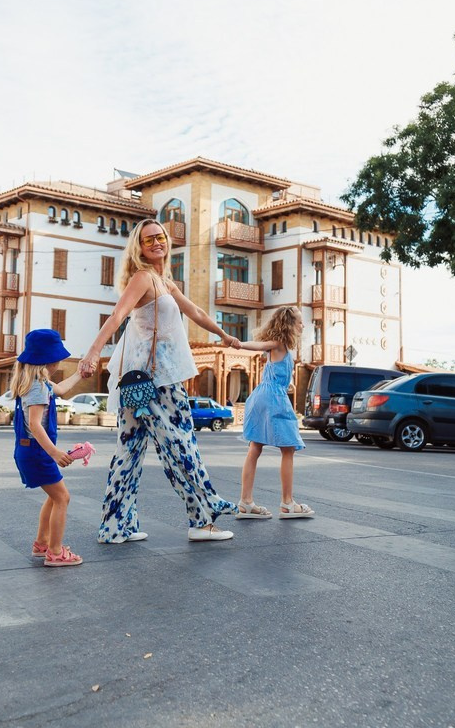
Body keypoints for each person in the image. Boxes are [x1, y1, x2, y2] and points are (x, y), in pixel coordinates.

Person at [78, 219, 242, 543]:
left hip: (138, 382)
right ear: (138, 247)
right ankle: (204, 517)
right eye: (148, 239)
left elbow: (195, 311)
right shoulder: (143, 278)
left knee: (130, 451)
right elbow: (116, 316)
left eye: (160, 237)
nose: (156, 243)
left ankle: (114, 527)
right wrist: (91, 354)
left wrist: (224, 335)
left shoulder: (165, 281)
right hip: (156, 381)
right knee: (182, 445)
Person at [11, 328, 88, 568]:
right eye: (57, 358)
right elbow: (34, 424)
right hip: (37, 452)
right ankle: (54, 552)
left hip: (30, 451)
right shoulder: (37, 388)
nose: (59, 362)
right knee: (62, 497)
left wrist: (79, 374)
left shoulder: (37, 383)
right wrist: (54, 453)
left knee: (54, 497)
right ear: (48, 360)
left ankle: (42, 543)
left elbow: (62, 390)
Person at [235, 306, 313, 520]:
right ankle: (287, 503)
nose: (302, 324)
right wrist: (240, 344)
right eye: (299, 321)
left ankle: (246, 502)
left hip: (260, 396)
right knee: (288, 450)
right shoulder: (278, 344)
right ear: (289, 324)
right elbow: (260, 345)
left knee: (255, 448)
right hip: (273, 399)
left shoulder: (285, 349)